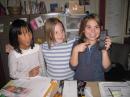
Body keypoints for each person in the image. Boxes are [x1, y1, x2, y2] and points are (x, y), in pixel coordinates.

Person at [70, 13, 111, 81]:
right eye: (89, 27)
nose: (93, 31)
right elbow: (73, 67)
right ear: (83, 29)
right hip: (80, 82)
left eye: (96, 27)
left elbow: (106, 69)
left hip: (98, 83)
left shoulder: (104, 45)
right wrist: (75, 50)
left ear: (101, 29)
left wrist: (104, 51)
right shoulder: (76, 44)